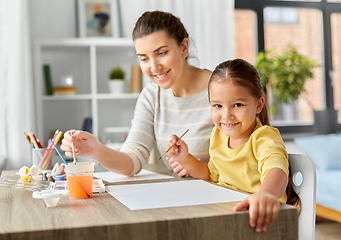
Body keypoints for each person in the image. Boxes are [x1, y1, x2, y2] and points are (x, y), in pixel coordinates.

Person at [60, 11, 213, 177]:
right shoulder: (152, 95)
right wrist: (96, 149)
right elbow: (133, 159)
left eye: (161, 53)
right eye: (144, 58)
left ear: (183, 48)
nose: (154, 67)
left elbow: (243, 159)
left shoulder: (223, 89)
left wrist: (199, 167)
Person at [166, 58, 299, 233]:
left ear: (258, 105)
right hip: (227, 216)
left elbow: (276, 170)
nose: (226, 115)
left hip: (260, 221)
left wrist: (266, 193)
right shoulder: (218, 135)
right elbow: (211, 174)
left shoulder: (264, 137)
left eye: (237, 105)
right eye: (217, 106)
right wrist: (185, 159)